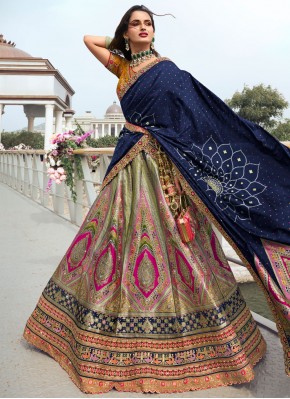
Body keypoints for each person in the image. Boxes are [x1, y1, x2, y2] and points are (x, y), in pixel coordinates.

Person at [23, 4, 290, 395]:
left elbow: (200, 118)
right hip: (130, 167)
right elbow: (87, 39)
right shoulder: (123, 68)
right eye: (136, 24)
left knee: (178, 243)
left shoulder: (168, 70)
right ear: (125, 32)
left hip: (166, 165)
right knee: (114, 239)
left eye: (148, 24)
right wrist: (121, 45)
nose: (144, 29)